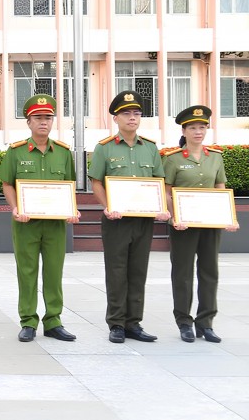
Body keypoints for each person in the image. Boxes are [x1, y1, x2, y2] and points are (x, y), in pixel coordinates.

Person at [0, 94, 81, 342]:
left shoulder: (63, 153)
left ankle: (54, 321)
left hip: (55, 224)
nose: (43, 122)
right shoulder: (16, 152)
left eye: (47, 117)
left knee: (54, 272)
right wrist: (14, 208)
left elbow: (69, 185)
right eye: (38, 118)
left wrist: (71, 210)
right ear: (28, 122)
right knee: (27, 271)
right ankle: (28, 321)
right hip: (26, 224)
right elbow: (7, 184)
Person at [89, 90, 171, 343]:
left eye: (136, 113)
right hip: (116, 220)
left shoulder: (150, 148)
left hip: (143, 220)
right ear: (116, 118)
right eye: (126, 113)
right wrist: (106, 206)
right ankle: (116, 323)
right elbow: (97, 182)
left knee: (138, 270)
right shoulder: (104, 148)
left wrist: (162, 207)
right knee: (116, 271)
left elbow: (159, 182)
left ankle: (134, 322)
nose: (132, 117)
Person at [163, 105, 239, 343]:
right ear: (184, 131)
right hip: (183, 225)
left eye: (202, 127)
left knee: (209, 272)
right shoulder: (173, 159)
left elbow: (221, 188)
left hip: (210, 223)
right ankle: (184, 321)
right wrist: (174, 215)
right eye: (193, 127)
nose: (198, 131)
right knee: (182, 273)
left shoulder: (214, 157)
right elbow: (165, 191)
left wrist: (230, 216)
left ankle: (205, 323)